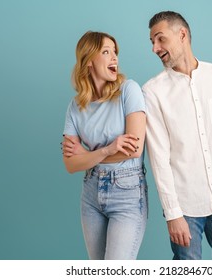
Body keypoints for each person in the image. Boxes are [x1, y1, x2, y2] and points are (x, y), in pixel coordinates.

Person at [142, 11, 212, 260]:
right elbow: (159, 158)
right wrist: (172, 214)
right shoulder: (153, 91)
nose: (155, 48)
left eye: (160, 39)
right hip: (185, 209)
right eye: (151, 42)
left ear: (182, 34)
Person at [62, 31, 147, 260]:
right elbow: (70, 164)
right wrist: (108, 150)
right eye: (106, 52)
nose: (114, 58)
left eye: (115, 52)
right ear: (89, 61)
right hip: (91, 194)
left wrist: (87, 156)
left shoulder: (129, 90)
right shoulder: (75, 106)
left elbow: (135, 149)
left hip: (127, 194)